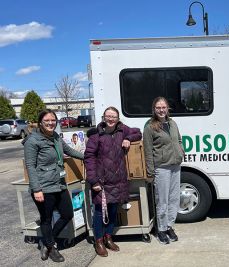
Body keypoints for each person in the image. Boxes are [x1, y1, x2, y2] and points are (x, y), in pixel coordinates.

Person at [23, 109, 84, 262]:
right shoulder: (33, 141)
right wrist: (36, 189)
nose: (50, 123)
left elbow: (69, 150)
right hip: (43, 186)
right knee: (46, 218)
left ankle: (47, 241)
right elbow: (30, 166)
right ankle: (51, 247)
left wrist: (88, 156)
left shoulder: (56, 136)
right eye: (47, 121)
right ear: (40, 123)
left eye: (53, 120)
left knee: (67, 214)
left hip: (59, 183)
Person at [84, 106, 142, 257]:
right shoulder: (95, 136)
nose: (111, 119)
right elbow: (88, 158)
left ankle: (108, 237)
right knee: (99, 212)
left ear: (117, 119)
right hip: (101, 181)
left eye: (113, 117)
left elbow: (138, 133)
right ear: (103, 117)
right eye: (108, 116)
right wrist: (93, 181)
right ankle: (98, 241)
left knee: (113, 210)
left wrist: (128, 138)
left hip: (119, 180)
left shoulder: (122, 131)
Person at [143, 97, 184, 245]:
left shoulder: (172, 123)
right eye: (158, 107)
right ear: (154, 109)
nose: (161, 110)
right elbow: (147, 151)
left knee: (174, 199)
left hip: (175, 166)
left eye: (164, 107)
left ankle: (169, 226)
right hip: (161, 168)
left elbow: (178, 140)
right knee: (162, 200)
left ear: (168, 109)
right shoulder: (149, 126)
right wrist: (150, 171)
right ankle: (160, 229)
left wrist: (181, 151)